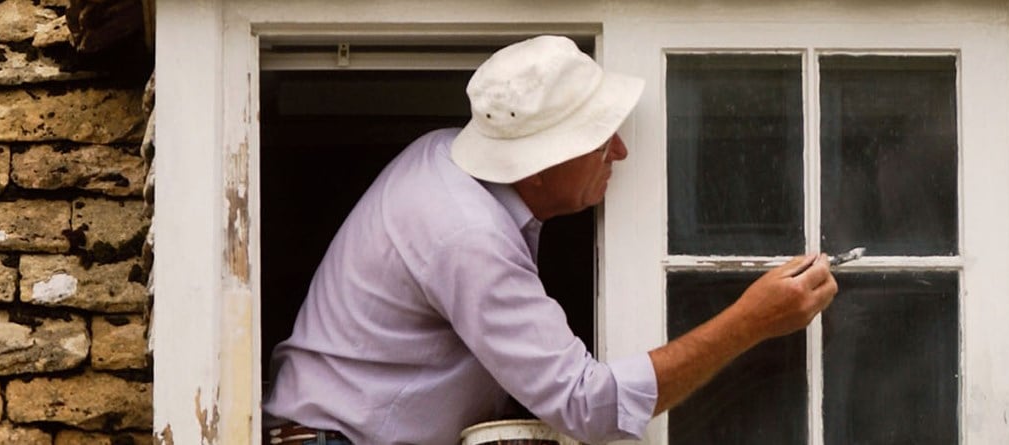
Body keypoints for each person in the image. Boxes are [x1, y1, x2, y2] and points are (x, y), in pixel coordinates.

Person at [263, 35, 839, 445]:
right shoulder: (466, 233)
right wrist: (751, 321)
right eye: (599, 137)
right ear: (537, 167)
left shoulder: (444, 156)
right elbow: (586, 406)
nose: (620, 150)